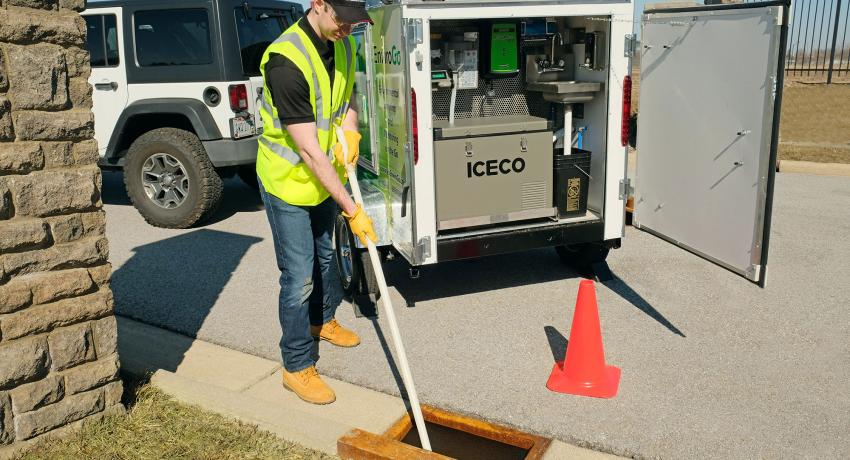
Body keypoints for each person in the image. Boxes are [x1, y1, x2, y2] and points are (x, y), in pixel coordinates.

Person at [256, 0, 376, 405]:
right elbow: (307, 150)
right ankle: (296, 365)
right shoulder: (285, 62)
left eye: (353, 22)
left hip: (323, 181)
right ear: (318, 5)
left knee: (327, 257)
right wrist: (353, 209)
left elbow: (345, 100)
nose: (347, 29)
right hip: (287, 181)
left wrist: (352, 130)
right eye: (342, 20)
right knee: (299, 276)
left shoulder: (343, 43)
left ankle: (321, 321)